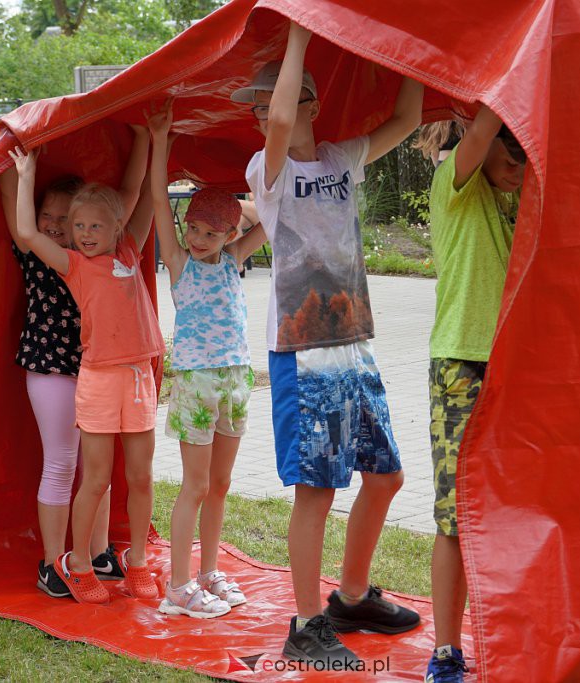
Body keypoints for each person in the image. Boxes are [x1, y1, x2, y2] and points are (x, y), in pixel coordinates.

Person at [232, 21, 423, 666]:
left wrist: (416, 45)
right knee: (317, 490)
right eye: (257, 108)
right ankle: (307, 622)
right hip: (300, 347)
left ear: (316, 103)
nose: (265, 114)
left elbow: (408, 116)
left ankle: (352, 595)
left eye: (273, 101)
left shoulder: (342, 158)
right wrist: (297, 38)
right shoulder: (268, 167)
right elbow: (283, 123)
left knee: (387, 476)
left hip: (352, 344)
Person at [10, 141, 165, 605]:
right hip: (79, 372)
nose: (81, 231)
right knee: (79, 469)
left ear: (115, 226)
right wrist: (23, 172)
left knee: (133, 474)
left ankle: (115, 558)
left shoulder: (128, 253)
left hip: (131, 375)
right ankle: (69, 562)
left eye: (92, 224)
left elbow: (141, 192)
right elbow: (25, 230)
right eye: (77, 225)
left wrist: (151, 140)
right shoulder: (72, 264)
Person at [147, 101, 268, 618]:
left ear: (231, 237)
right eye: (193, 227)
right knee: (195, 486)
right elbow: (156, 197)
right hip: (197, 382)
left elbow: (273, 209)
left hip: (236, 378)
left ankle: (209, 571)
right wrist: (160, 145)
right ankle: (177, 586)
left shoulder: (236, 260)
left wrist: (260, 182)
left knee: (220, 485)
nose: (198, 239)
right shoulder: (178, 262)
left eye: (211, 232)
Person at [424, 108, 525, 683]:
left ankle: (510, 630)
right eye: (510, 159)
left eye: (524, 162)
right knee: (455, 517)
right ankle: (445, 651)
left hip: (513, 369)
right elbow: (484, 127)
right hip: (461, 364)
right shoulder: (455, 185)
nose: (518, 171)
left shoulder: (511, 203)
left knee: (507, 511)